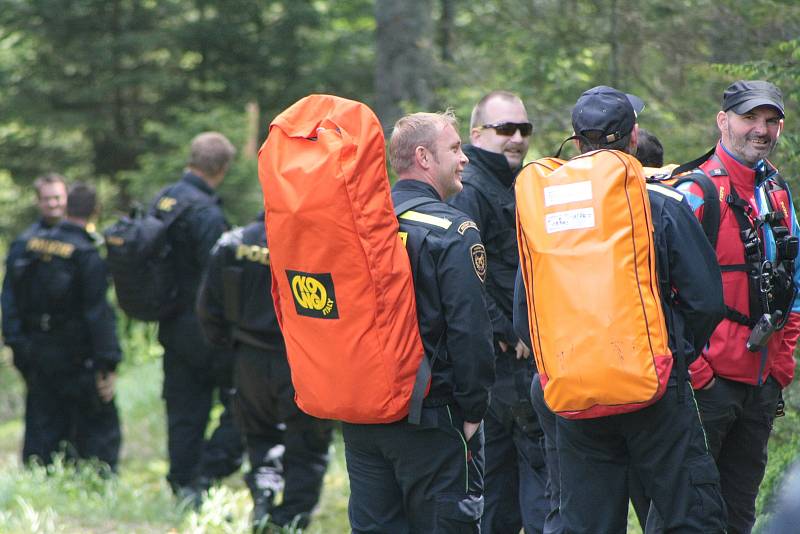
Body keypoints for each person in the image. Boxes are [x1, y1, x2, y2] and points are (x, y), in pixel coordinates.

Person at [514, 86, 727, 533]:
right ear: (633, 139)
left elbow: (524, 314)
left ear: (576, 143)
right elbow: (706, 299)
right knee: (688, 516)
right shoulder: (661, 204)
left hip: (575, 397)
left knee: (587, 523)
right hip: (655, 386)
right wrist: (675, 352)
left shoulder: (547, 216)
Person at [341, 111, 495, 532]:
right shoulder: (452, 230)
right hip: (430, 417)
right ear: (424, 157)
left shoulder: (357, 227)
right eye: (456, 148)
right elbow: (470, 331)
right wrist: (473, 410)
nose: (464, 159)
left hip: (362, 415)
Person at [676, 80, 800, 534]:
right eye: (750, 118)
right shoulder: (695, 193)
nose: (762, 130)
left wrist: (781, 362)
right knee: (687, 514)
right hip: (707, 386)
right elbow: (659, 293)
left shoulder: (777, 192)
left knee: (738, 514)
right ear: (722, 120)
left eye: (771, 120)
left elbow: (796, 283)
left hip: (760, 384)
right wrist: (696, 370)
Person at [448, 91, 549, 533]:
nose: (516, 139)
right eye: (505, 129)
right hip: (498, 362)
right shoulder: (470, 188)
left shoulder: (517, 181)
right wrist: (508, 330)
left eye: (523, 130)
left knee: (520, 481)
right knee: (500, 490)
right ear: (476, 134)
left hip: (521, 359)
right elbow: (464, 273)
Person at [197, 213, 333, 530]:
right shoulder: (314, 244)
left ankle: (264, 494)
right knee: (308, 442)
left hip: (249, 359)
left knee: (259, 435)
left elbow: (207, 308)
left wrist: (229, 347)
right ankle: (291, 519)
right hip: (301, 361)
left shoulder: (233, 243)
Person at [3, 181, 122, 470]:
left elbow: (11, 299)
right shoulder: (86, 253)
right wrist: (108, 362)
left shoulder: (32, 244)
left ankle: (39, 477)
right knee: (95, 424)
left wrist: (19, 346)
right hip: (77, 355)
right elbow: (98, 313)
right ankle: (95, 479)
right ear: (95, 211)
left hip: (39, 349)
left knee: (44, 420)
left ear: (66, 205)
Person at [153, 132, 244, 501]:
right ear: (221, 169)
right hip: (204, 326)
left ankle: (182, 482)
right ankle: (205, 473)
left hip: (171, 322)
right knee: (243, 402)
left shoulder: (165, 199)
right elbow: (218, 276)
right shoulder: (205, 212)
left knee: (184, 407)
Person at [3, 173, 69, 378]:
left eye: (57, 197)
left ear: (66, 198)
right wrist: (16, 341)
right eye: (47, 199)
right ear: (38, 201)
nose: (52, 204)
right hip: (37, 343)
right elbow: (9, 295)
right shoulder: (24, 244)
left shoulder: (82, 243)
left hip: (77, 347)